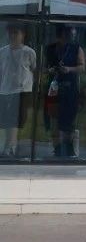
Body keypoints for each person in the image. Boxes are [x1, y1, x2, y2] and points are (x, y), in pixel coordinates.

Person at [46, 24, 86, 158]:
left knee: (69, 119)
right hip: (54, 87)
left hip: (70, 87)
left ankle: (69, 147)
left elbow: (82, 66)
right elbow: (45, 67)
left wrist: (69, 69)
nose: (65, 37)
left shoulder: (76, 48)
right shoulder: (50, 48)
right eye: (62, 34)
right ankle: (57, 147)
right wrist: (51, 70)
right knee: (53, 118)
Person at [0, 23, 37, 157]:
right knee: (6, 120)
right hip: (5, 90)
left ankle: (11, 147)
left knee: (15, 119)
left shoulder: (29, 52)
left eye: (16, 33)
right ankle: (8, 146)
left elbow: (34, 68)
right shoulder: (2, 51)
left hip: (22, 90)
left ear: (23, 35)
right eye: (10, 33)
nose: (13, 36)